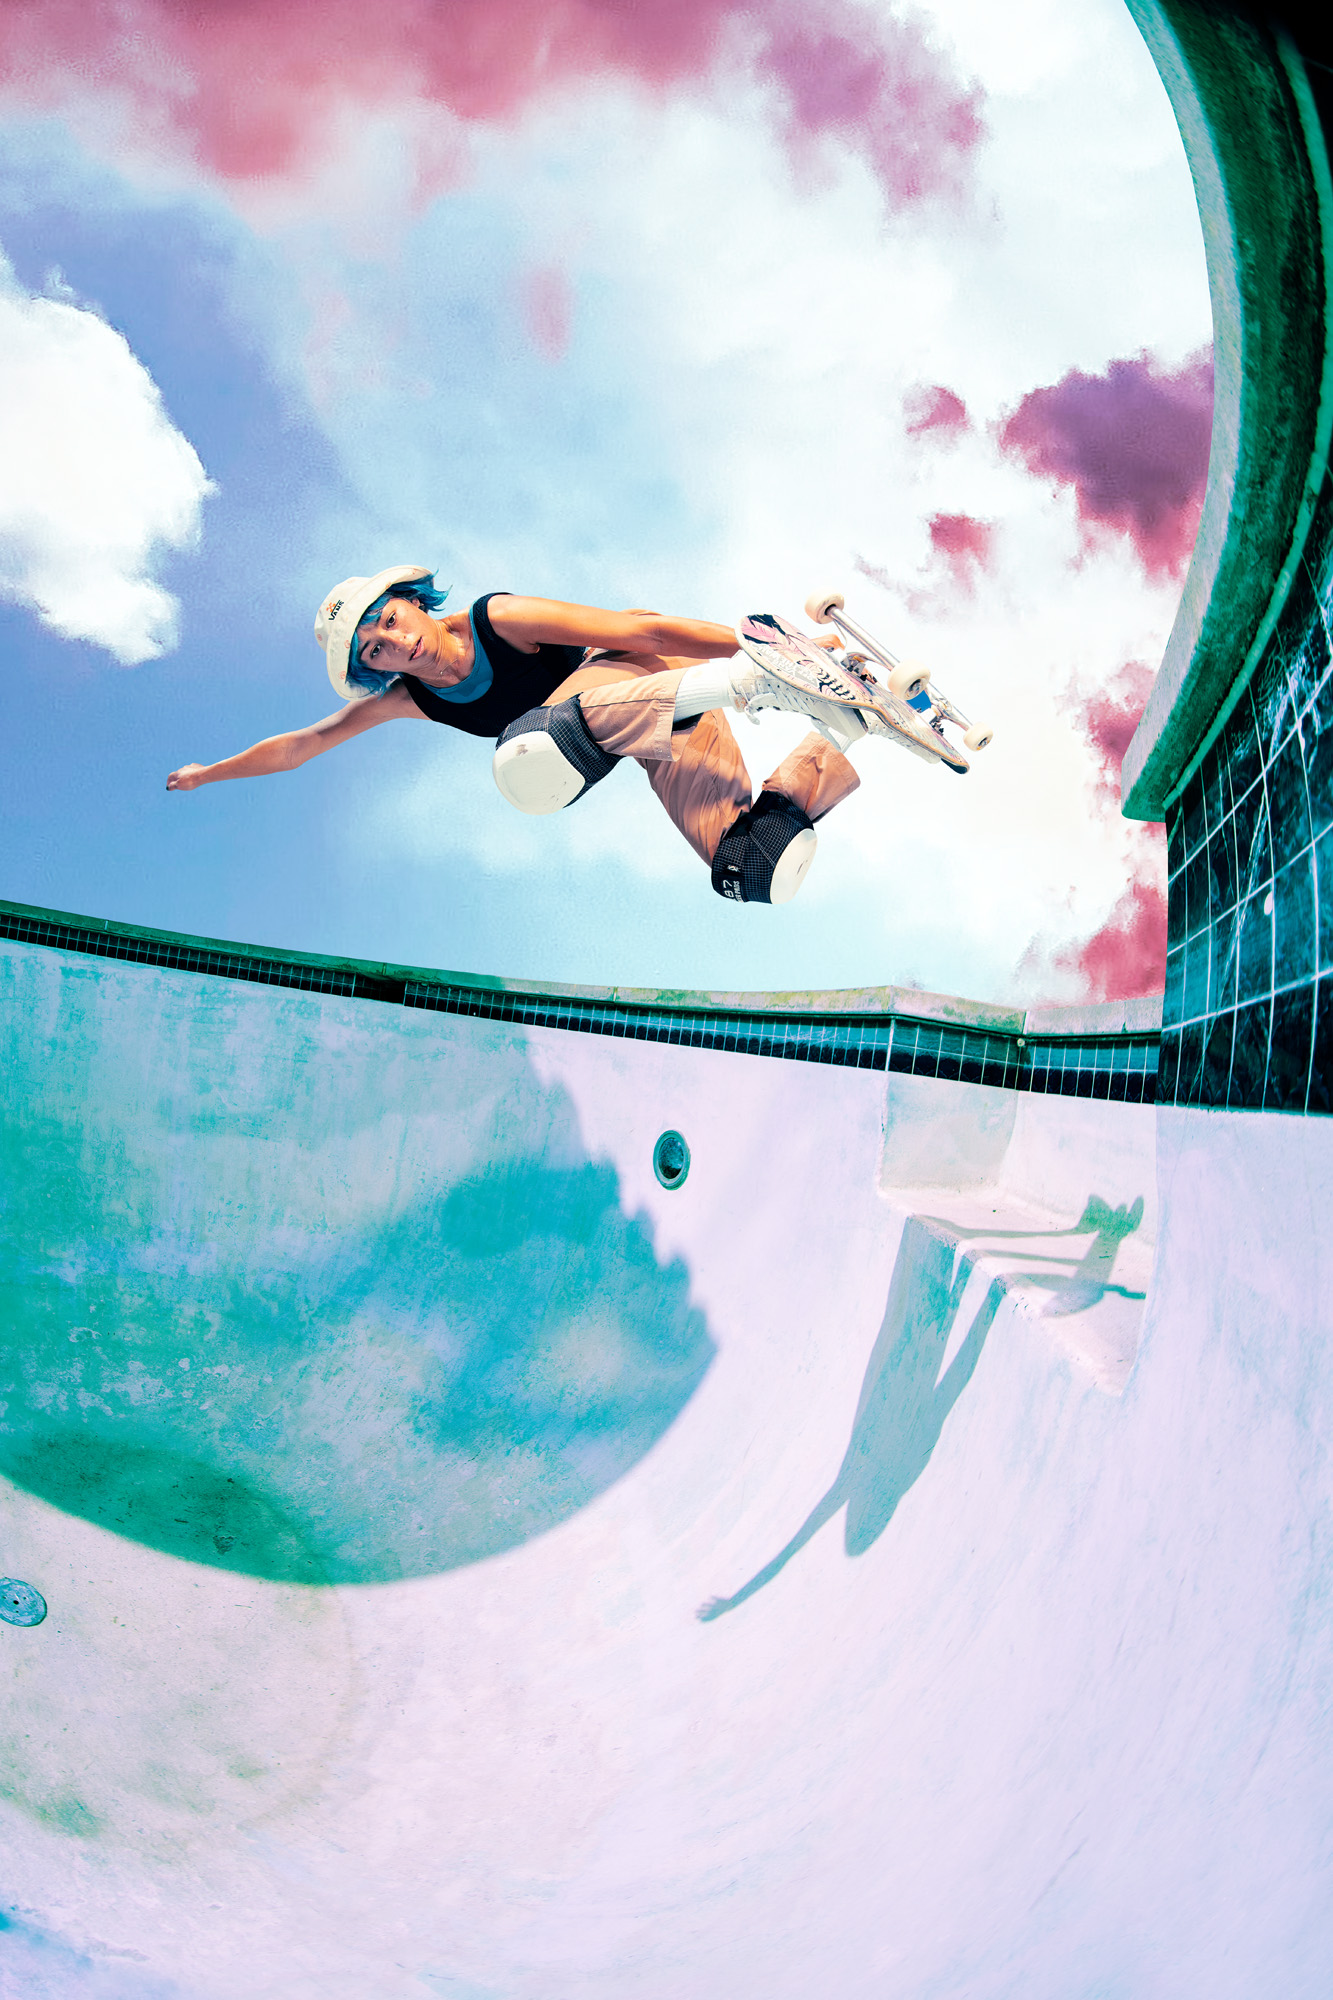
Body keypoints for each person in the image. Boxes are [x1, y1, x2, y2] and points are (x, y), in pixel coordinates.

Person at [166, 566, 887, 904]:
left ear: (411, 603)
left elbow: (642, 631)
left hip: (655, 675)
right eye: (376, 651)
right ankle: (847, 727)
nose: (397, 643)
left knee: (529, 744)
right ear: (373, 669)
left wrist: (762, 650)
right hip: (657, 726)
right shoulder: (408, 699)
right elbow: (303, 745)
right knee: (747, 869)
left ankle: (768, 682)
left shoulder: (498, 618)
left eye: (390, 620)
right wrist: (209, 773)